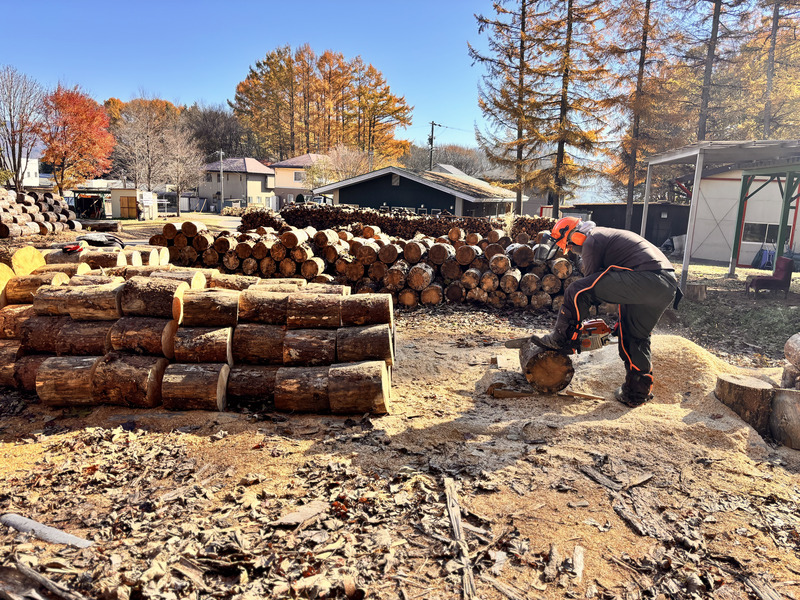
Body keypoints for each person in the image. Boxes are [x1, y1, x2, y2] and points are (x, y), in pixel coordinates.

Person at [531, 217, 680, 407]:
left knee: (577, 290)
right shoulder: (604, 236)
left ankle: (562, 339)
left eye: (569, 244)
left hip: (647, 278)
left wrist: (576, 325)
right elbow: (614, 282)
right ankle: (636, 392)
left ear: (575, 236)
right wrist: (616, 322)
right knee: (634, 336)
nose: (572, 250)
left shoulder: (593, 239)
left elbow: (591, 284)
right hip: (665, 284)